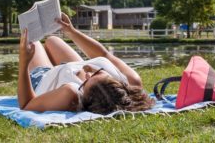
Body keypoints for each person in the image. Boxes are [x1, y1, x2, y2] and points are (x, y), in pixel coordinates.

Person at [18, 13, 155, 114]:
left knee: (33, 41)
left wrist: (24, 62)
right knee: (52, 40)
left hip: (46, 77)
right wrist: (70, 31)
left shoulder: (70, 94)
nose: (87, 73)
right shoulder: (132, 81)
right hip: (72, 66)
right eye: (98, 71)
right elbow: (104, 55)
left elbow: (26, 104)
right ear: (120, 84)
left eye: (85, 83)